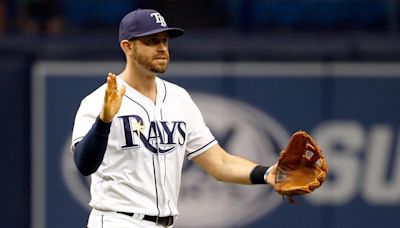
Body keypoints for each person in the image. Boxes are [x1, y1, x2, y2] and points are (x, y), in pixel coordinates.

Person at [71, 8, 275, 228]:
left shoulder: (179, 98)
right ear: (128, 46)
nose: (162, 49)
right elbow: (84, 165)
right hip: (116, 220)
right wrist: (104, 121)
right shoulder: (100, 100)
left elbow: (220, 163)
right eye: (152, 41)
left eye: (165, 41)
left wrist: (266, 174)